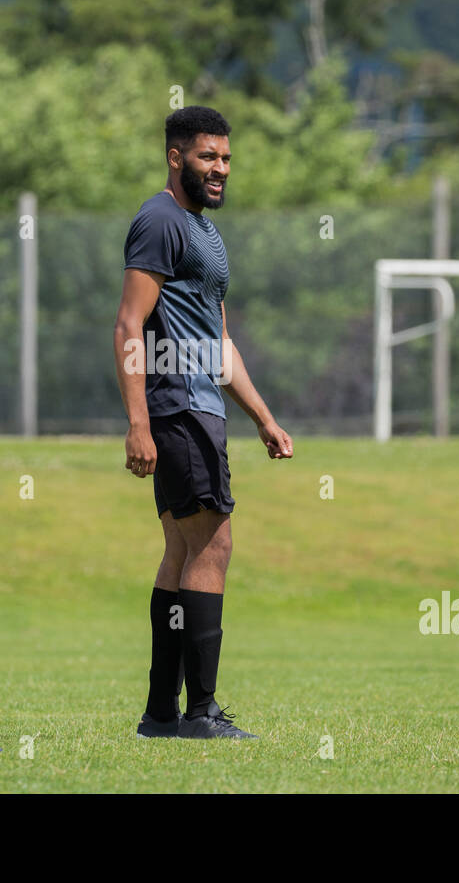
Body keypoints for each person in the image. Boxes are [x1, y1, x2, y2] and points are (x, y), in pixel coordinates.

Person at [113, 105, 294, 740]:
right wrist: (138, 421)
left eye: (224, 158)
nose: (219, 169)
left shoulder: (205, 233)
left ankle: (162, 713)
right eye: (206, 157)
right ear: (175, 156)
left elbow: (219, 344)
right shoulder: (161, 221)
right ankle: (201, 712)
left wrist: (263, 419)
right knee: (213, 545)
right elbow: (129, 324)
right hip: (176, 406)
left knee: (183, 549)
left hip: (203, 406)